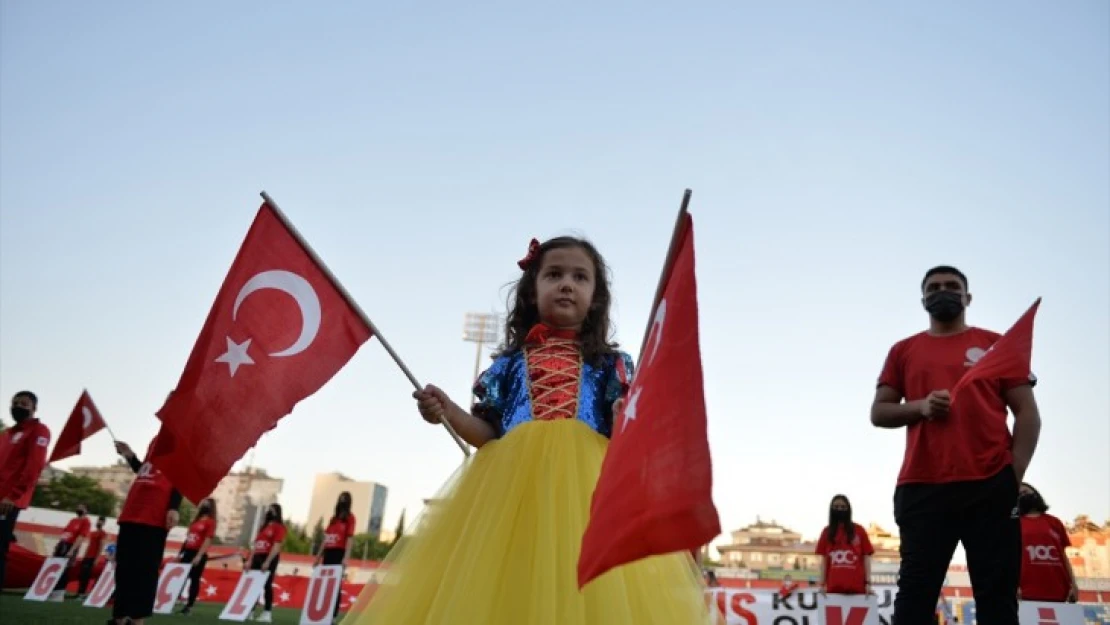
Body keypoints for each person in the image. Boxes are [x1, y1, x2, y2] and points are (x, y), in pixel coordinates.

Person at [342, 236, 712, 625]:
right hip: (510, 494)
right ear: (532, 293)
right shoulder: (507, 365)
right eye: (554, 274)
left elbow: (627, 434)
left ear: (596, 297)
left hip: (588, 494)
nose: (566, 283)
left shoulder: (610, 364)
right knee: (507, 582)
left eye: (580, 277)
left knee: (585, 585)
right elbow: (488, 432)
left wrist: (625, 417)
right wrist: (447, 411)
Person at [872, 265, 1042, 625]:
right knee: (916, 594)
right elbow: (879, 412)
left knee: (997, 594)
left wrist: (1015, 472)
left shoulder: (997, 344)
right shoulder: (903, 350)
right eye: (933, 287)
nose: (942, 291)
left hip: (990, 485)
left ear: (968, 298)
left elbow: (1027, 412)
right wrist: (920, 407)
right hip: (922, 486)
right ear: (923, 300)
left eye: (952, 286)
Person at [111, 438, 183, 625]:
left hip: (154, 516)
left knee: (145, 571)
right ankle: (119, 618)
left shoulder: (183, 440)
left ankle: (137, 620)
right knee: (124, 569)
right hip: (131, 512)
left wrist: (174, 506)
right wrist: (129, 456)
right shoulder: (156, 441)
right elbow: (145, 470)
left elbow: (182, 477)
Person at [0, 390, 51, 589]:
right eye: (15, 402)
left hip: (8, 502)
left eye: (24, 403)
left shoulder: (39, 430)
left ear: (34, 408)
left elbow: (34, 466)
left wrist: (13, 496)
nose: (18, 407)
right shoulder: (7, 434)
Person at [1017, 483, 1078, 603]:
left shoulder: (1054, 522)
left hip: (1058, 590)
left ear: (1036, 494)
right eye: (1020, 494)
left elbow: (1063, 557)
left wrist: (1073, 584)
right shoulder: (1014, 524)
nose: (1024, 495)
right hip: (1026, 591)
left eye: (1026, 491)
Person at [815, 495, 874, 596]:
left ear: (848, 509)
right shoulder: (826, 532)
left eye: (843, 507)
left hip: (857, 588)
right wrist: (822, 584)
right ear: (831, 509)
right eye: (836, 507)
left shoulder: (859, 530)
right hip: (833, 589)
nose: (839, 509)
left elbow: (866, 558)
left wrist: (868, 583)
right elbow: (824, 561)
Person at [313, 491, 356, 622]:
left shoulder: (350, 518)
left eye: (345, 499)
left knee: (335, 584)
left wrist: (346, 558)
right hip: (328, 553)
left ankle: (332, 615)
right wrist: (318, 557)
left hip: (339, 553)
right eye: (340, 498)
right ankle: (323, 613)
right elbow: (325, 539)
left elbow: (349, 538)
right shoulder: (333, 519)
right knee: (325, 583)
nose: (342, 501)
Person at [177, 498, 218, 615]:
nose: (204, 504)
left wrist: (199, 555)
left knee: (194, 579)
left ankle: (189, 606)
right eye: (203, 502)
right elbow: (188, 538)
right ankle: (174, 600)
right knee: (181, 577)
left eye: (207, 503)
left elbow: (207, 539)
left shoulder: (210, 522)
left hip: (198, 552)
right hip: (188, 551)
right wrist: (180, 553)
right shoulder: (196, 520)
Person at [249, 503, 287, 623]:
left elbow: (276, 546)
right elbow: (256, 545)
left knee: (267, 585)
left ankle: (267, 613)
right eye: (269, 509)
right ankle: (250, 611)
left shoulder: (279, 527)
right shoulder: (263, 527)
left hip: (268, 557)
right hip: (257, 556)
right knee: (254, 585)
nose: (270, 511)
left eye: (273, 509)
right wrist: (250, 560)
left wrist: (268, 561)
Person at [48, 503, 92, 601]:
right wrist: (58, 546)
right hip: (63, 545)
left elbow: (81, 537)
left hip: (71, 546)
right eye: (78, 507)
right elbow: (65, 533)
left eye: (81, 507)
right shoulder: (72, 520)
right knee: (57, 568)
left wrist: (72, 550)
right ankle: (52, 590)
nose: (78, 508)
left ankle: (59, 593)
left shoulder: (86, 522)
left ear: (87, 511)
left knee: (65, 570)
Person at [77, 515, 108, 597]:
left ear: (104, 523)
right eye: (98, 520)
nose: (99, 522)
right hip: (87, 556)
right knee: (82, 574)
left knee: (86, 575)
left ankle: (82, 593)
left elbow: (101, 546)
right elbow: (89, 545)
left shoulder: (103, 533)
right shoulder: (93, 533)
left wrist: (97, 558)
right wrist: (84, 555)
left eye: (101, 521)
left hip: (93, 557)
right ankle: (79, 592)